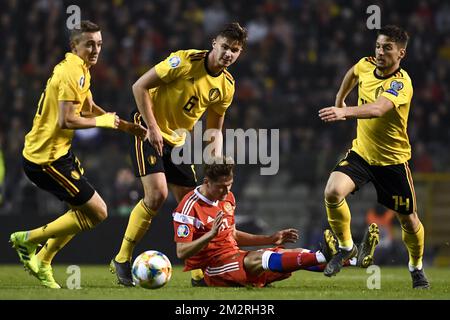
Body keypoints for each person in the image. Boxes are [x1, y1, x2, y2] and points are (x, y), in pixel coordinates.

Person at [9, 20, 146, 289]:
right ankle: (28, 240)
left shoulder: (81, 68)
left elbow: (90, 105)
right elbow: (67, 120)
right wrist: (103, 123)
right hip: (44, 160)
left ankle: (44, 260)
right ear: (74, 45)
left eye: (99, 44)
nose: (95, 49)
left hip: (59, 153)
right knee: (98, 212)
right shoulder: (72, 71)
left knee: (82, 211)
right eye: (89, 44)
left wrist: (125, 126)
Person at [110, 23, 247, 287]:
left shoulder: (227, 86)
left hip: (177, 141)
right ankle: (122, 258)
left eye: (235, 50)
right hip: (146, 128)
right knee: (157, 194)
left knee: (192, 204)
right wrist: (152, 128)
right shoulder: (184, 61)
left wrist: (214, 161)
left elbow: (214, 128)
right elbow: (139, 87)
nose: (229, 54)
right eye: (225, 47)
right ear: (213, 43)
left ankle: (197, 271)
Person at [318, 25, 430, 289]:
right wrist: (340, 98)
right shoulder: (366, 64)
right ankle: (347, 247)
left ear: (401, 53)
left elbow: (379, 109)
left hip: (392, 161)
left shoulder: (401, 83)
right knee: (332, 192)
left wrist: (345, 112)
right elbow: (353, 72)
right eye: (378, 46)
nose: (380, 52)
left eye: (387, 48)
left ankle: (416, 267)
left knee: (409, 220)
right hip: (362, 154)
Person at [172, 157, 377, 287]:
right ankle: (331, 254)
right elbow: (181, 252)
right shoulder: (189, 207)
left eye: (230, 185)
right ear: (207, 182)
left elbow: (233, 234)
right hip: (214, 268)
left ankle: (352, 260)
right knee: (261, 258)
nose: (227, 191)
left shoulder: (228, 198)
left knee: (289, 255)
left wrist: (271, 238)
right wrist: (210, 235)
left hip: (236, 256)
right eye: (221, 187)